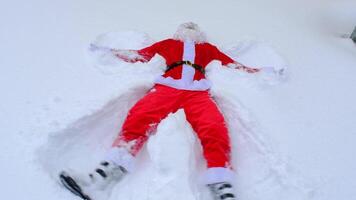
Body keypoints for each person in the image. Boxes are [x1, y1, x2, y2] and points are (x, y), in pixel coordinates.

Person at [60, 22, 261, 200]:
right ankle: (105, 175)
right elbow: (141, 56)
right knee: (139, 116)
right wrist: (111, 52)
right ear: (178, 32)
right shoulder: (168, 44)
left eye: (193, 28)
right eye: (185, 28)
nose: (189, 30)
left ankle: (221, 186)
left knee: (214, 127)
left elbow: (231, 64)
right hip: (167, 88)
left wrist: (260, 72)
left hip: (198, 94)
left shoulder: (208, 49)